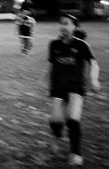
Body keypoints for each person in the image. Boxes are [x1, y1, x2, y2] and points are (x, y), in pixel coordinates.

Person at [47, 14, 100, 166]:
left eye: (67, 23)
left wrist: (94, 79)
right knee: (56, 121)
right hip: (58, 87)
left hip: (76, 87)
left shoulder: (82, 45)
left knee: (72, 119)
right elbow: (52, 64)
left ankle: (75, 153)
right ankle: (56, 137)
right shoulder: (54, 44)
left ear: (75, 27)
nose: (63, 26)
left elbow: (93, 63)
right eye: (61, 23)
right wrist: (44, 78)